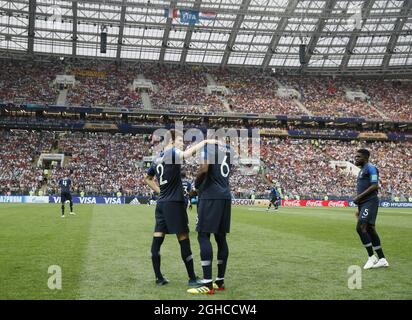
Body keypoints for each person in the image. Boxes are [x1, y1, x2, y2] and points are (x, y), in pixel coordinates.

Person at [144, 129, 216, 286]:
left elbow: (148, 178)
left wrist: (160, 191)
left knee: (157, 239)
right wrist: (204, 142)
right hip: (174, 203)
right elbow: (186, 155)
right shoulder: (172, 153)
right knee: (184, 239)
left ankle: (159, 278)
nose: (182, 145)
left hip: (161, 204)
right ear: (172, 141)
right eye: (181, 142)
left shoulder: (157, 158)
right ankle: (192, 278)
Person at [187, 141, 235, 295]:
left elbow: (204, 168)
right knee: (221, 238)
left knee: (203, 235)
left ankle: (207, 284)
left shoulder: (207, 147)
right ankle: (219, 281)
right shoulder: (229, 150)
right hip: (225, 196)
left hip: (210, 196)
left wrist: (195, 187)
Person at [354, 149, 388, 269]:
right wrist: (360, 207)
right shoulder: (361, 170)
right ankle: (382, 259)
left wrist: (359, 197)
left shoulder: (371, 168)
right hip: (364, 204)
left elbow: (374, 185)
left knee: (360, 227)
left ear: (365, 157)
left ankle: (371, 257)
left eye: (358, 157)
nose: (355, 159)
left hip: (370, 202)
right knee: (370, 229)